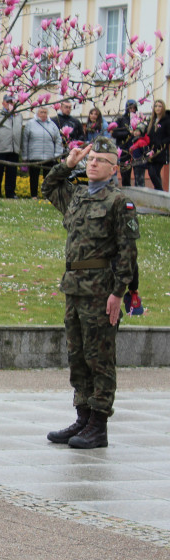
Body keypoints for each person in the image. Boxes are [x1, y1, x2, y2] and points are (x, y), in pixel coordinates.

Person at [42, 138, 139, 449]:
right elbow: (48, 187)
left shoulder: (118, 202)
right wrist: (68, 163)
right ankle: (83, 417)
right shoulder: (79, 196)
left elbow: (127, 252)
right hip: (74, 286)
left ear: (114, 168)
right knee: (78, 355)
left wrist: (118, 292)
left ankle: (99, 424)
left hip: (101, 290)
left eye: (100, 160)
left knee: (100, 357)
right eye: (91, 158)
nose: (93, 163)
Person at [21, 105, 61, 199]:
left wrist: (57, 154)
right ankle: (34, 195)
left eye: (45, 112)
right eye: (41, 112)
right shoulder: (30, 124)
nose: (43, 114)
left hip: (49, 155)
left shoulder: (52, 125)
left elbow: (58, 139)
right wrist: (25, 156)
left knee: (48, 177)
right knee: (34, 176)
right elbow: (25, 141)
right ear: (37, 113)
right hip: (34, 155)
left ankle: (47, 195)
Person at [0, 94, 22, 199]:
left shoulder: (19, 116)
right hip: (0, 149)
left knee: (11, 173)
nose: (10, 104)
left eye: (12, 102)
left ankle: (10, 193)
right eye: (8, 102)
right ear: (3, 103)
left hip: (13, 149)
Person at [143, 99, 170, 190]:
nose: (157, 108)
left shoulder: (166, 121)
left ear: (163, 108)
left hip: (160, 151)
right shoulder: (152, 121)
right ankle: (159, 193)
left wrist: (161, 143)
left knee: (153, 173)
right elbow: (148, 135)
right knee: (153, 173)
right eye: (156, 106)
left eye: (160, 106)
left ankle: (160, 192)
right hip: (151, 151)